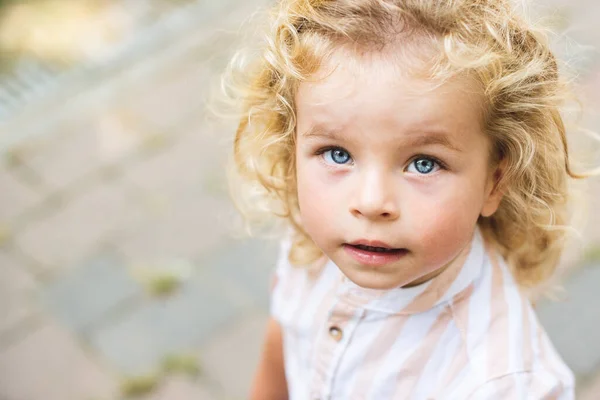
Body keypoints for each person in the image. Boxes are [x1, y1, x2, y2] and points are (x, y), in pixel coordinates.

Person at [223, 0, 594, 398]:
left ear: (495, 180)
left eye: (423, 163)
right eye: (337, 154)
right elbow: (281, 348)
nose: (370, 202)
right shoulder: (312, 250)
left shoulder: (498, 382)